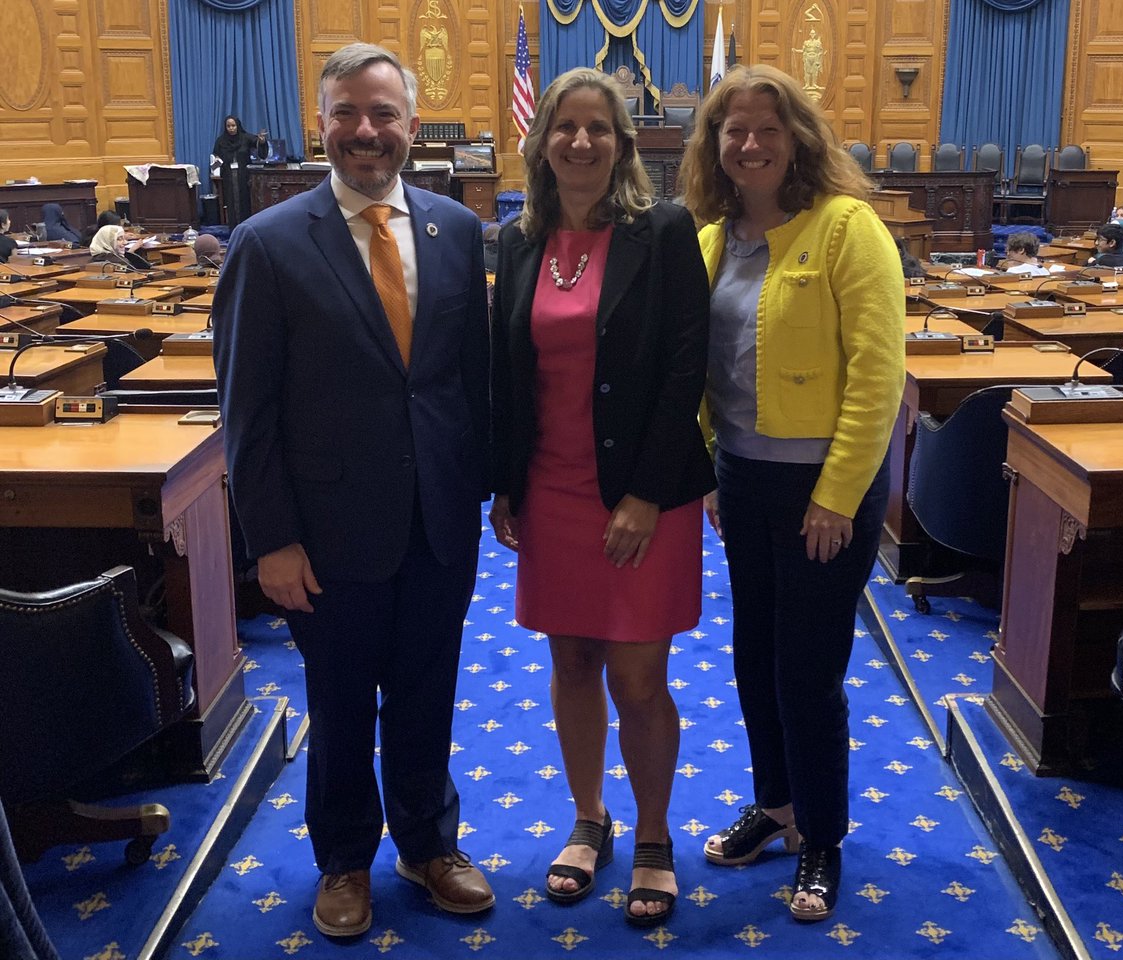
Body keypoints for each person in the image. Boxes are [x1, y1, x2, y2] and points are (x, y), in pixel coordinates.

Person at [213, 42, 492, 940]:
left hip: (438, 519)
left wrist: (490, 493)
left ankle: (427, 843)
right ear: (320, 124)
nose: (365, 131)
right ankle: (343, 859)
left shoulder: (456, 231)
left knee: (427, 692)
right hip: (326, 534)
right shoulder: (267, 243)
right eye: (347, 113)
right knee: (339, 705)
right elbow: (247, 412)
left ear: (412, 125)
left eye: (383, 114)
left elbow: (469, 383)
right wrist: (271, 539)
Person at [678, 63, 904, 923]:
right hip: (744, 479)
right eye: (734, 129)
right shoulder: (712, 239)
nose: (750, 143)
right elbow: (703, 373)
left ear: (797, 138)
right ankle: (776, 807)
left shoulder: (847, 227)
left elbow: (878, 378)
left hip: (826, 488)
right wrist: (709, 468)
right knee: (755, 658)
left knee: (808, 671)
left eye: (767, 128)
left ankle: (821, 834)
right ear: (715, 145)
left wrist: (838, 496)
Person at [489, 66, 713, 928]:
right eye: (565, 126)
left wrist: (647, 495)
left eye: (599, 128)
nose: (581, 141)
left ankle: (653, 834)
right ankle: (589, 818)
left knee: (638, 675)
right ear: (541, 141)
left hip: (644, 493)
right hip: (550, 491)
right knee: (573, 663)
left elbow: (685, 370)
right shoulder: (518, 241)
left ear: (622, 144)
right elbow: (508, 375)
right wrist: (507, 485)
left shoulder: (665, 231)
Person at [212, 115, 267, 228]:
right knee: (231, 202)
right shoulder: (221, 141)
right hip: (228, 176)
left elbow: (258, 143)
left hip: (244, 176)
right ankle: (233, 228)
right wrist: (216, 159)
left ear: (238, 126)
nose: (231, 128)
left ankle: (245, 227)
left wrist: (262, 141)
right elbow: (216, 155)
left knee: (244, 202)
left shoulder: (245, 138)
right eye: (228, 126)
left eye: (233, 125)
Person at [89, 225, 153, 270]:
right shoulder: (120, 263)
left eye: (124, 238)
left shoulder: (96, 258)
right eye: (119, 239)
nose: (125, 242)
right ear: (107, 241)